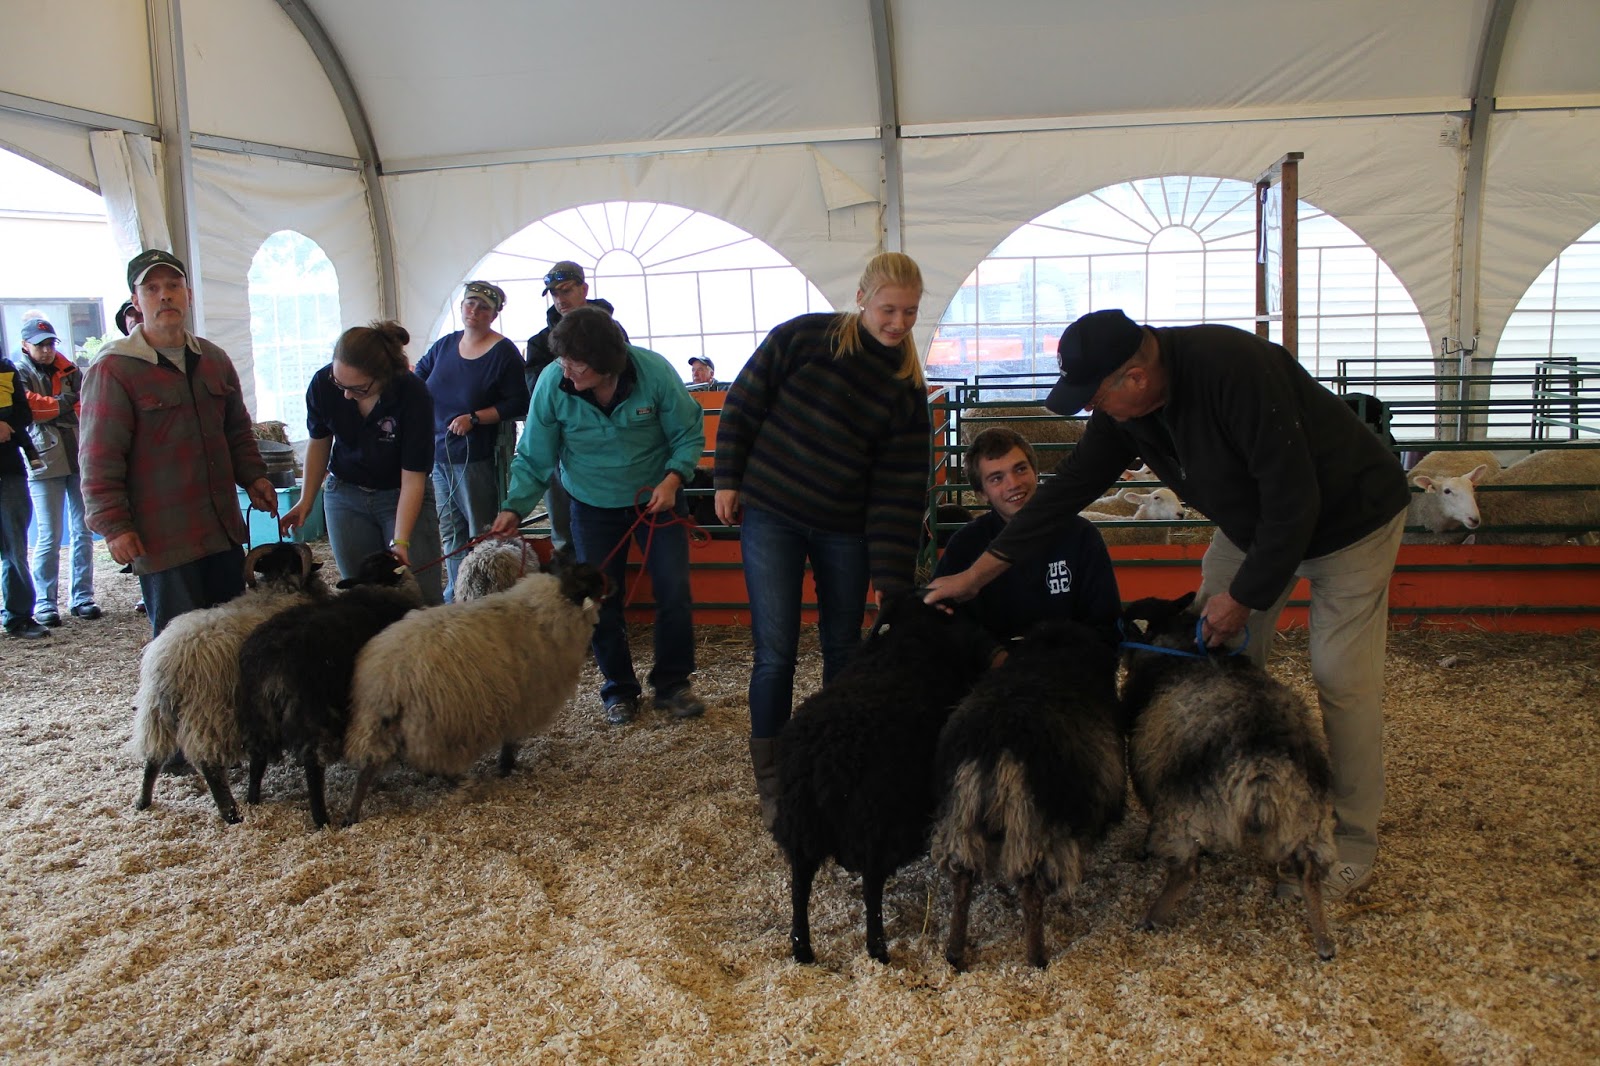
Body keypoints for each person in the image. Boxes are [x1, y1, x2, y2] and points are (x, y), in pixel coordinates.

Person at [923, 308, 1410, 900]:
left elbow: (1294, 500)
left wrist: (1244, 597)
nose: (1090, 410)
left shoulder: (1236, 371)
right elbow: (1068, 493)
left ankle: (1349, 841)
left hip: (1347, 521)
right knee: (1208, 660)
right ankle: (1229, 802)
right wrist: (976, 575)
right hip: (1250, 522)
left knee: (1341, 675)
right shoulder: (1123, 412)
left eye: (1095, 395)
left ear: (1134, 376)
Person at [713, 251, 932, 828]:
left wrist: (891, 580)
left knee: (844, 649)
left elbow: (900, 489)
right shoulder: (804, 338)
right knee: (776, 653)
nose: (898, 323)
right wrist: (728, 476)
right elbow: (744, 402)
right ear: (861, 299)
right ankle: (774, 782)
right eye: (888, 309)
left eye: (910, 312)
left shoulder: (905, 388)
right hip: (773, 513)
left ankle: (836, 766)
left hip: (845, 526)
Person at [490, 305, 707, 726]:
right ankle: (619, 690)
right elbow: (534, 453)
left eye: (577, 364)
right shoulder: (554, 383)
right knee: (599, 598)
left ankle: (673, 685)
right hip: (590, 504)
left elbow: (687, 432)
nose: (566, 371)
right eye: (563, 361)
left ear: (607, 363)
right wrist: (513, 506)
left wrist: (674, 477)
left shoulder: (655, 373)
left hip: (656, 499)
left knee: (674, 591)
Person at [79, 248, 278, 637]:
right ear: (135, 302)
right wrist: (114, 526)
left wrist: (254, 477)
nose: (165, 295)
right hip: (164, 540)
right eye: (152, 288)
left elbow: (237, 430)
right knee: (180, 650)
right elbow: (99, 458)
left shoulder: (214, 359)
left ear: (188, 293)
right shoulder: (114, 369)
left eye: (173, 285)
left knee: (234, 639)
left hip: (221, 532)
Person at [279, 321, 445, 606]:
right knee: (360, 596)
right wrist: (307, 499)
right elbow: (319, 441)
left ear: (383, 378)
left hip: (398, 494)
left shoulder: (413, 394)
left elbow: (414, 477)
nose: (345, 394)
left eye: (357, 388)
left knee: (419, 595)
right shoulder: (322, 385)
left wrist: (401, 540)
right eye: (338, 382)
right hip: (345, 492)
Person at [934, 426, 1120, 659]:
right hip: (990, 676)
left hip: (1068, 670)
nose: (1013, 484)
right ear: (981, 493)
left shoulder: (1081, 536)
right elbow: (947, 619)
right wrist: (992, 655)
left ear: (1036, 472)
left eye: (1020, 469)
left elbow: (1105, 620)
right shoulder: (965, 544)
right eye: (996, 478)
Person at [414, 280, 528, 601]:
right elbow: (419, 378)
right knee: (451, 531)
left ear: (494, 315)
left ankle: (487, 595)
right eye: (469, 304)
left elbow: (518, 403)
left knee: (481, 528)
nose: (474, 311)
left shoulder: (503, 353)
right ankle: (456, 594)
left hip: (476, 454)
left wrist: (475, 417)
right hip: (439, 452)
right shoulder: (445, 345)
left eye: (483, 307)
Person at [523, 261, 623, 555]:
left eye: (566, 290)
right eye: (554, 293)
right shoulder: (540, 343)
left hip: (610, 444)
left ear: (584, 288)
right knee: (564, 528)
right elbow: (538, 393)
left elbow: (625, 377)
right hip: (563, 444)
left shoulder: (613, 331)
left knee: (611, 523)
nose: (560, 299)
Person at [15, 316, 99, 625]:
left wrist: (55, 406)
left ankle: (83, 596)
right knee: (49, 535)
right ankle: (45, 602)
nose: (47, 350)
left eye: (50, 343)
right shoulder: (18, 372)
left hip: (78, 456)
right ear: (25, 346)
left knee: (83, 530)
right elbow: (30, 408)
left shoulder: (71, 370)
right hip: (43, 460)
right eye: (40, 345)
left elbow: (86, 406)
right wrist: (63, 403)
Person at [1, 347, 48, 639]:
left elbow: (23, 413)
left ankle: (19, 616)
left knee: (15, 549)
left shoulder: (6, 369)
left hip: (9, 471)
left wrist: (7, 424)